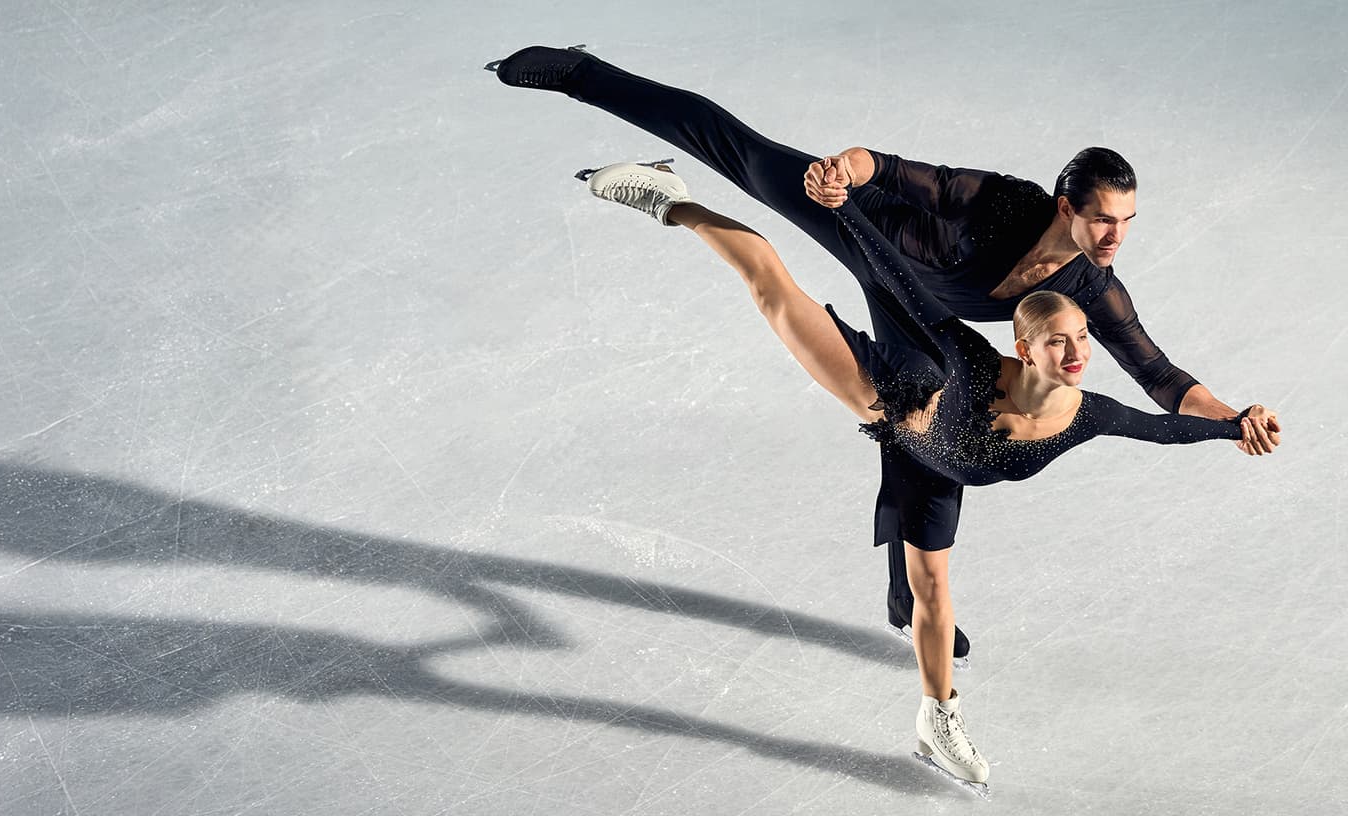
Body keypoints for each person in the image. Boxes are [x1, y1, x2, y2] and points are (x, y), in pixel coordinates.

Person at [487, 45, 1282, 655]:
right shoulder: (1006, 201)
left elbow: (1162, 376)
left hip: (918, 327)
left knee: (917, 422)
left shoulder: (1091, 290)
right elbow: (901, 172)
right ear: (1069, 206)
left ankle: (905, 595)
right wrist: (842, 171)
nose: (1118, 236)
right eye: (1106, 218)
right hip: (860, 226)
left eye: (1130, 222)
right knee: (731, 144)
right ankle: (578, 72)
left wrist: (1233, 416)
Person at [567, 157, 1258, 791]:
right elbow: (891, 275)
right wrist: (846, 211)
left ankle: (933, 721)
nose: (1078, 352)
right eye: (1059, 342)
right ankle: (673, 202)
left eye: (1081, 338)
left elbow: (1165, 425)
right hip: (894, 400)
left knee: (930, 588)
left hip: (940, 468)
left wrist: (1236, 423)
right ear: (1024, 347)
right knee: (771, 288)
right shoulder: (964, 359)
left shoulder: (1088, 413)